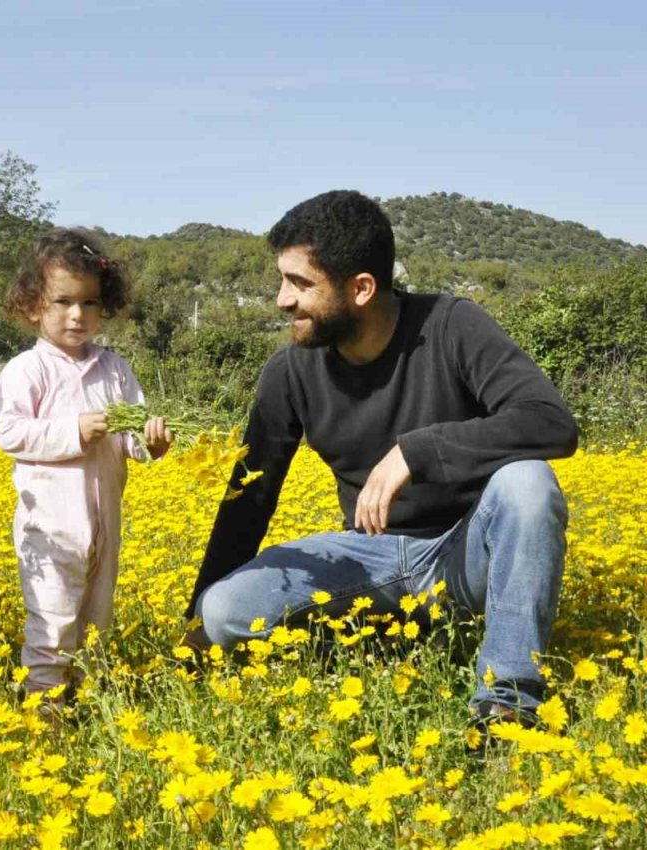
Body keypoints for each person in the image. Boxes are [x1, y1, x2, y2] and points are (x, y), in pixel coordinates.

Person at [186, 190, 578, 731]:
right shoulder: (290, 371)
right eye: (282, 281)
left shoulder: (452, 326)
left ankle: (506, 702)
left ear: (362, 289)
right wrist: (195, 619)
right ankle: (371, 643)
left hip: (462, 555)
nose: (282, 299)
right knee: (224, 611)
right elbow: (250, 495)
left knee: (528, 483)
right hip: (364, 562)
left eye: (300, 284)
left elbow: (551, 421)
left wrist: (418, 451)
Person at [0, 229, 173, 700]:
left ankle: (87, 703)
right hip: (50, 528)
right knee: (52, 622)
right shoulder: (25, 370)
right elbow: (10, 433)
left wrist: (150, 442)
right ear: (33, 305)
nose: (78, 314)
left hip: (105, 523)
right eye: (63, 302)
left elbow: (132, 437)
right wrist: (74, 431)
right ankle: (44, 710)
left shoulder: (115, 369)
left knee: (96, 619)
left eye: (90, 303)